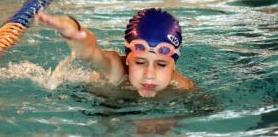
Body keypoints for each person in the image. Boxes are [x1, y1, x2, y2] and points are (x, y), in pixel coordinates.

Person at [35, 8, 194, 97]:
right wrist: (71, 31)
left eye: (161, 64)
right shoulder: (115, 70)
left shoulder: (182, 86)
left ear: (173, 64)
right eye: (139, 62)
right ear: (127, 59)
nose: (149, 74)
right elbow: (90, 53)